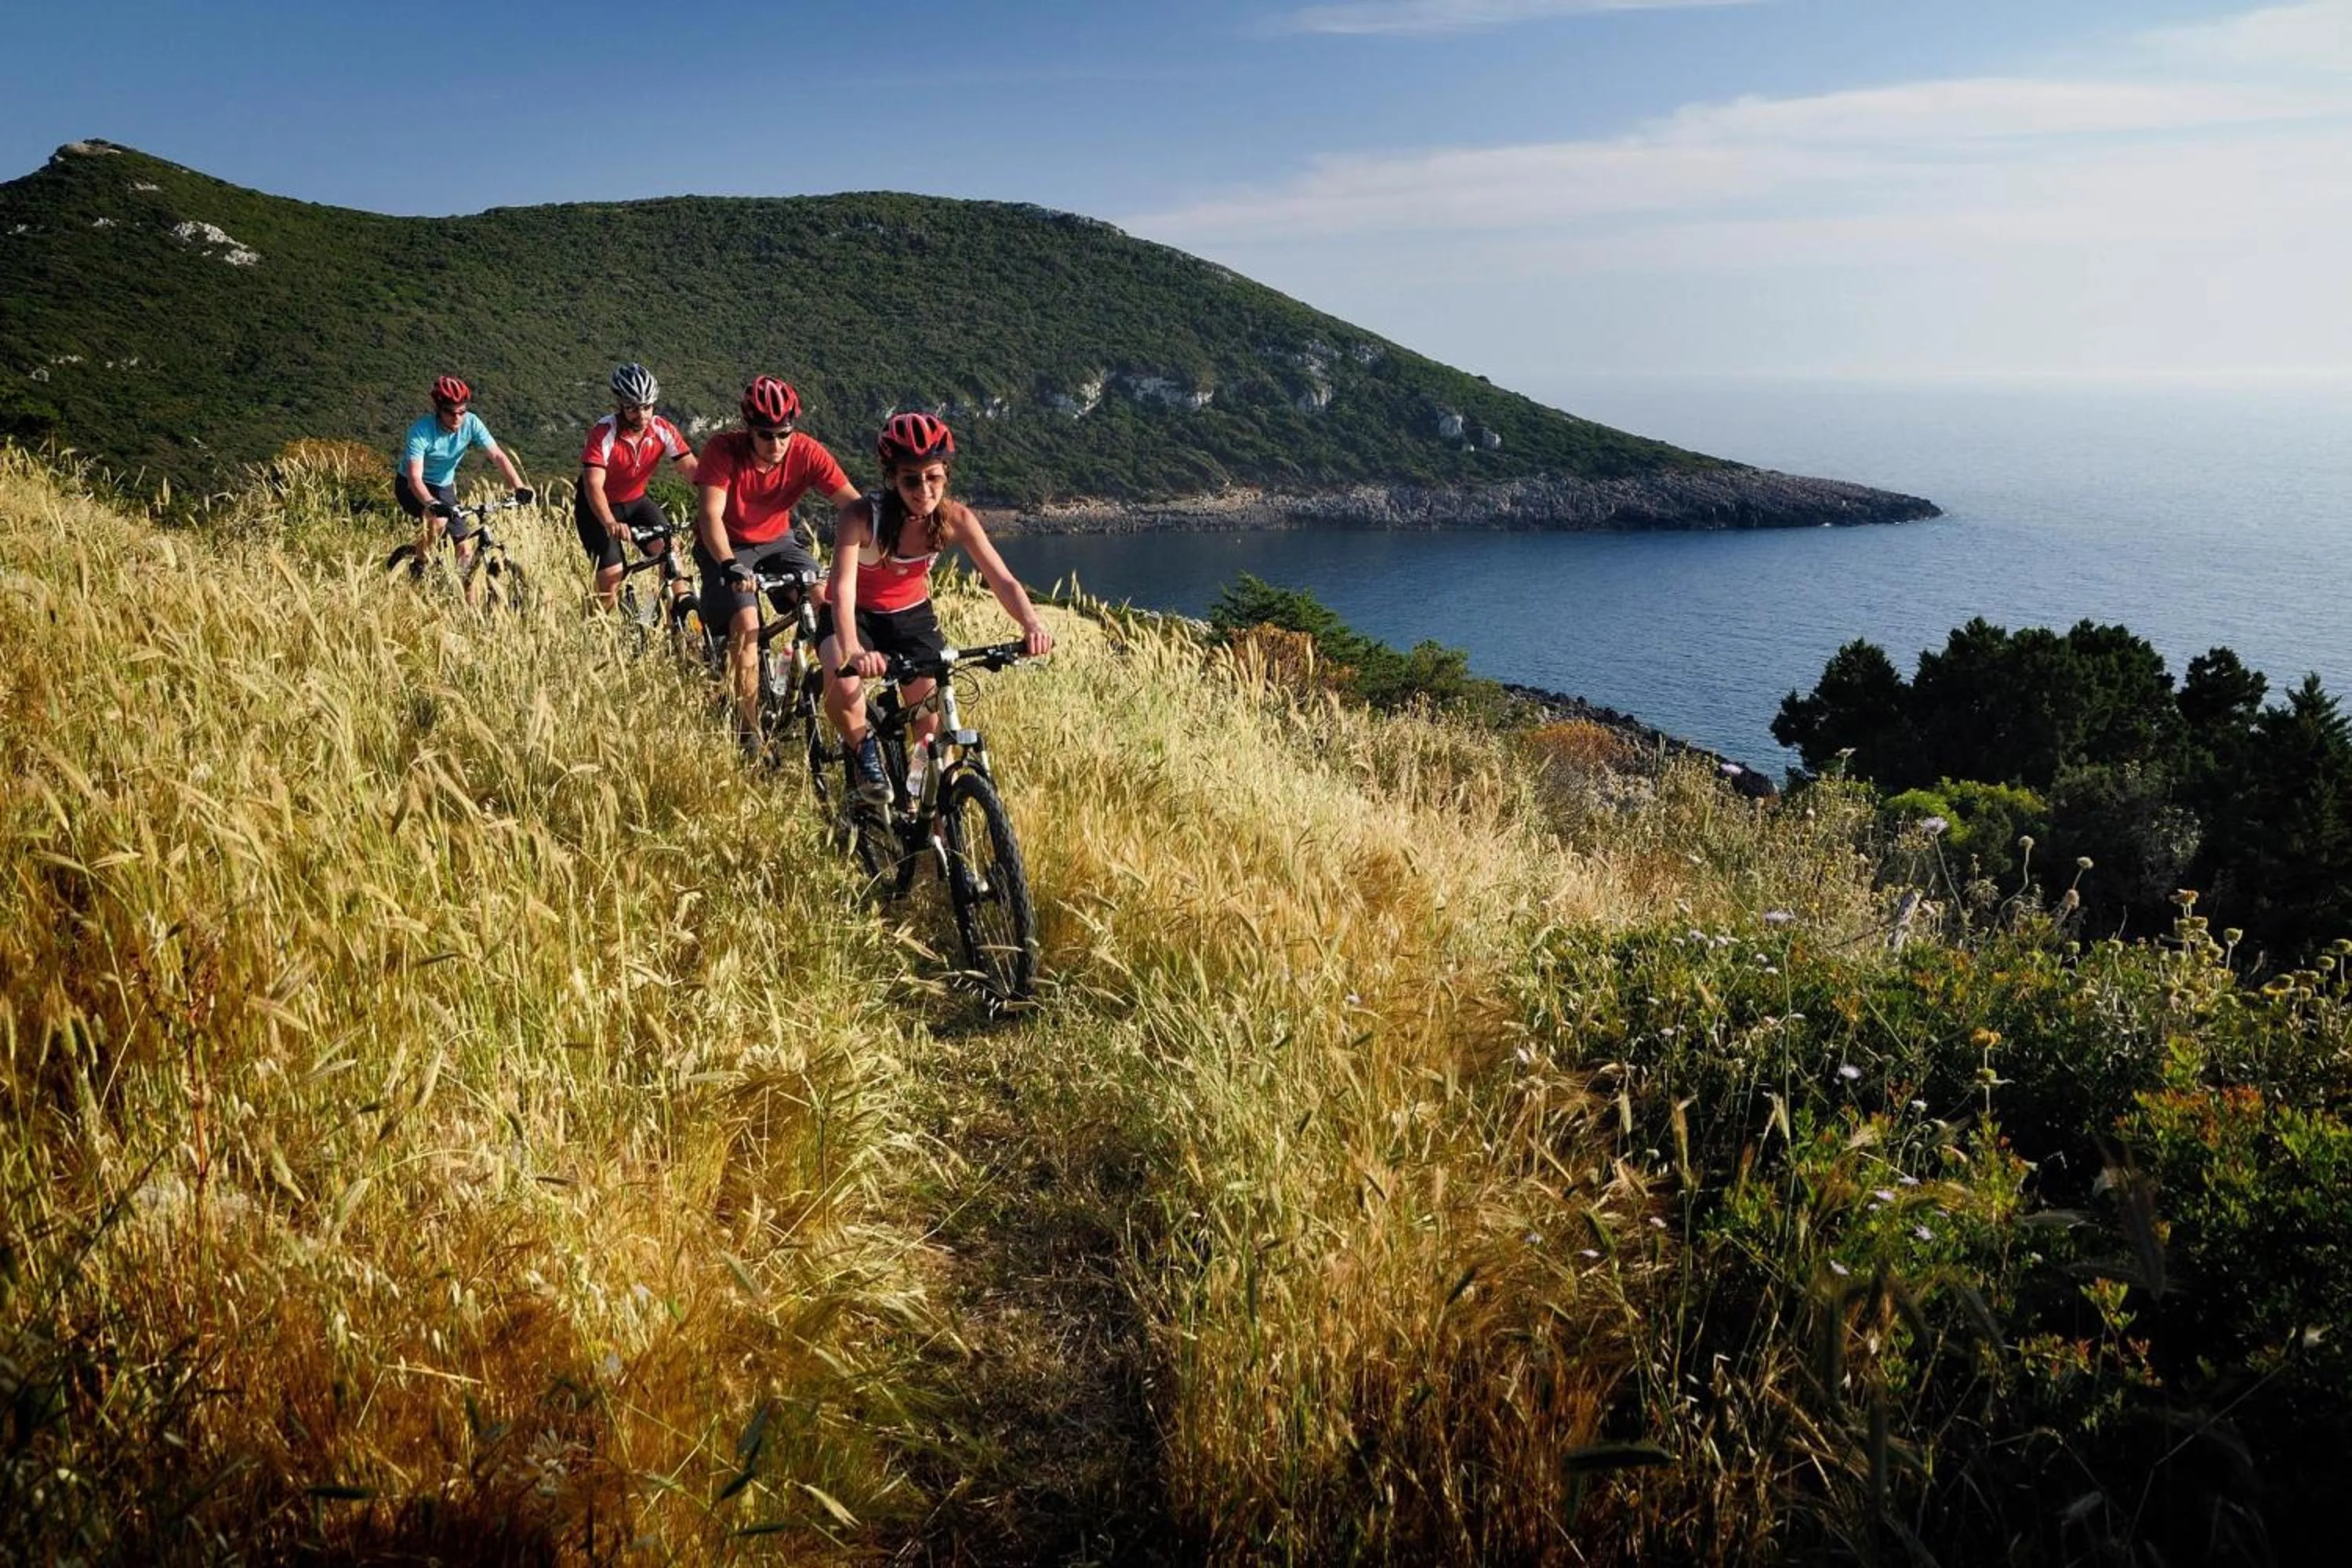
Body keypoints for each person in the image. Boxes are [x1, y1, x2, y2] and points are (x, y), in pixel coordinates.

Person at [825, 412, 1053, 804]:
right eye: (911, 479)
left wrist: (1031, 624)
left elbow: (1002, 580)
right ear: (892, 479)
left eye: (934, 477)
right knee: (844, 687)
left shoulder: (954, 519)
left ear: (946, 474)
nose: (924, 489)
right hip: (856, 616)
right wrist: (855, 651)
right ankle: (863, 751)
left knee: (931, 736)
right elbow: (842, 590)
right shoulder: (861, 517)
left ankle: (933, 830)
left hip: (911, 617)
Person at [695, 375, 862, 747]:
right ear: (749, 430)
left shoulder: (806, 452)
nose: (777, 444)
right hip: (727, 544)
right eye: (766, 435)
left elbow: (854, 505)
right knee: (747, 621)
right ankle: (748, 730)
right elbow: (710, 517)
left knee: (822, 599)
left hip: (778, 542)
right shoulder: (722, 451)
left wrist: (885, 544)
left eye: (784, 434)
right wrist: (728, 563)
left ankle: (843, 688)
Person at [576, 362, 698, 611]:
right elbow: (593, 485)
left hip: (636, 502)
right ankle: (596, 631)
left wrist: (715, 504)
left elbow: (692, 470)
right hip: (597, 508)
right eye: (633, 408)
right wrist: (610, 522)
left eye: (647, 407)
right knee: (612, 576)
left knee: (671, 555)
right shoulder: (604, 432)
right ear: (620, 405)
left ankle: (679, 626)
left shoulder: (662, 429)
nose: (641, 415)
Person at [394, 376, 533, 586]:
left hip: (444, 487)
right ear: (438, 410)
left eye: (462, 411)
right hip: (411, 486)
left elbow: (497, 455)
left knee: (465, 548)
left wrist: (519, 486)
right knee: (438, 521)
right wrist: (432, 504)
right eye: (451, 413)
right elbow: (414, 477)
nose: (457, 418)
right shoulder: (421, 431)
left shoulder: (472, 423)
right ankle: (418, 564)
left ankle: (470, 607)